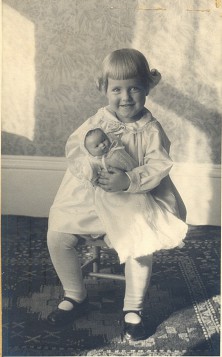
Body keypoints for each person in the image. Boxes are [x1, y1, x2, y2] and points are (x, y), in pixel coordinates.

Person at [47, 48, 187, 341]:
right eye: (117, 89)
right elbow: (75, 148)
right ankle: (75, 293)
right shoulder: (97, 121)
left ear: (147, 88)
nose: (126, 97)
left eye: (135, 88)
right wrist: (90, 167)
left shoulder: (150, 129)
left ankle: (132, 308)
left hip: (132, 197)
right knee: (58, 236)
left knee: (140, 244)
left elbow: (159, 165)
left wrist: (130, 179)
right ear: (104, 89)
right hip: (92, 196)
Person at [80, 127, 187, 263]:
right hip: (107, 193)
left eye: (104, 141)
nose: (103, 145)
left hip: (135, 187)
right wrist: (93, 178)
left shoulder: (119, 146)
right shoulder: (93, 157)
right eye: (97, 146)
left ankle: (131, 243)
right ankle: (112, 234)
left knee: (136, 213)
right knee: (108, 211)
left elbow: (156, 164)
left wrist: (129, 179)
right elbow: (85, 169)